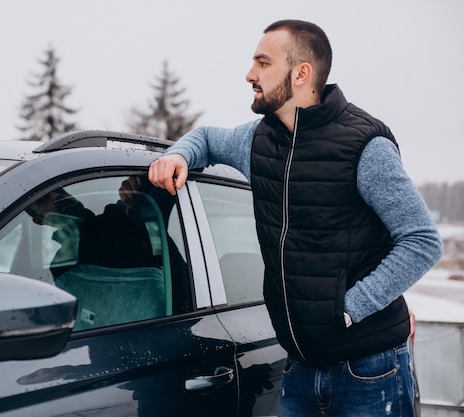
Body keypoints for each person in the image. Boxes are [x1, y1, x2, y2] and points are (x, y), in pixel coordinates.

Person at [148, 19, 442, 417]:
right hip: (300, 368)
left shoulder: (364, 146)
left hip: (369, 370)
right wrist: (178, 155)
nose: (250, 75)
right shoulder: (257, 140)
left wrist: (350, 306)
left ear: (302, 73)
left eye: (263, 63)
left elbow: (422, 240)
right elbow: (206, 138)